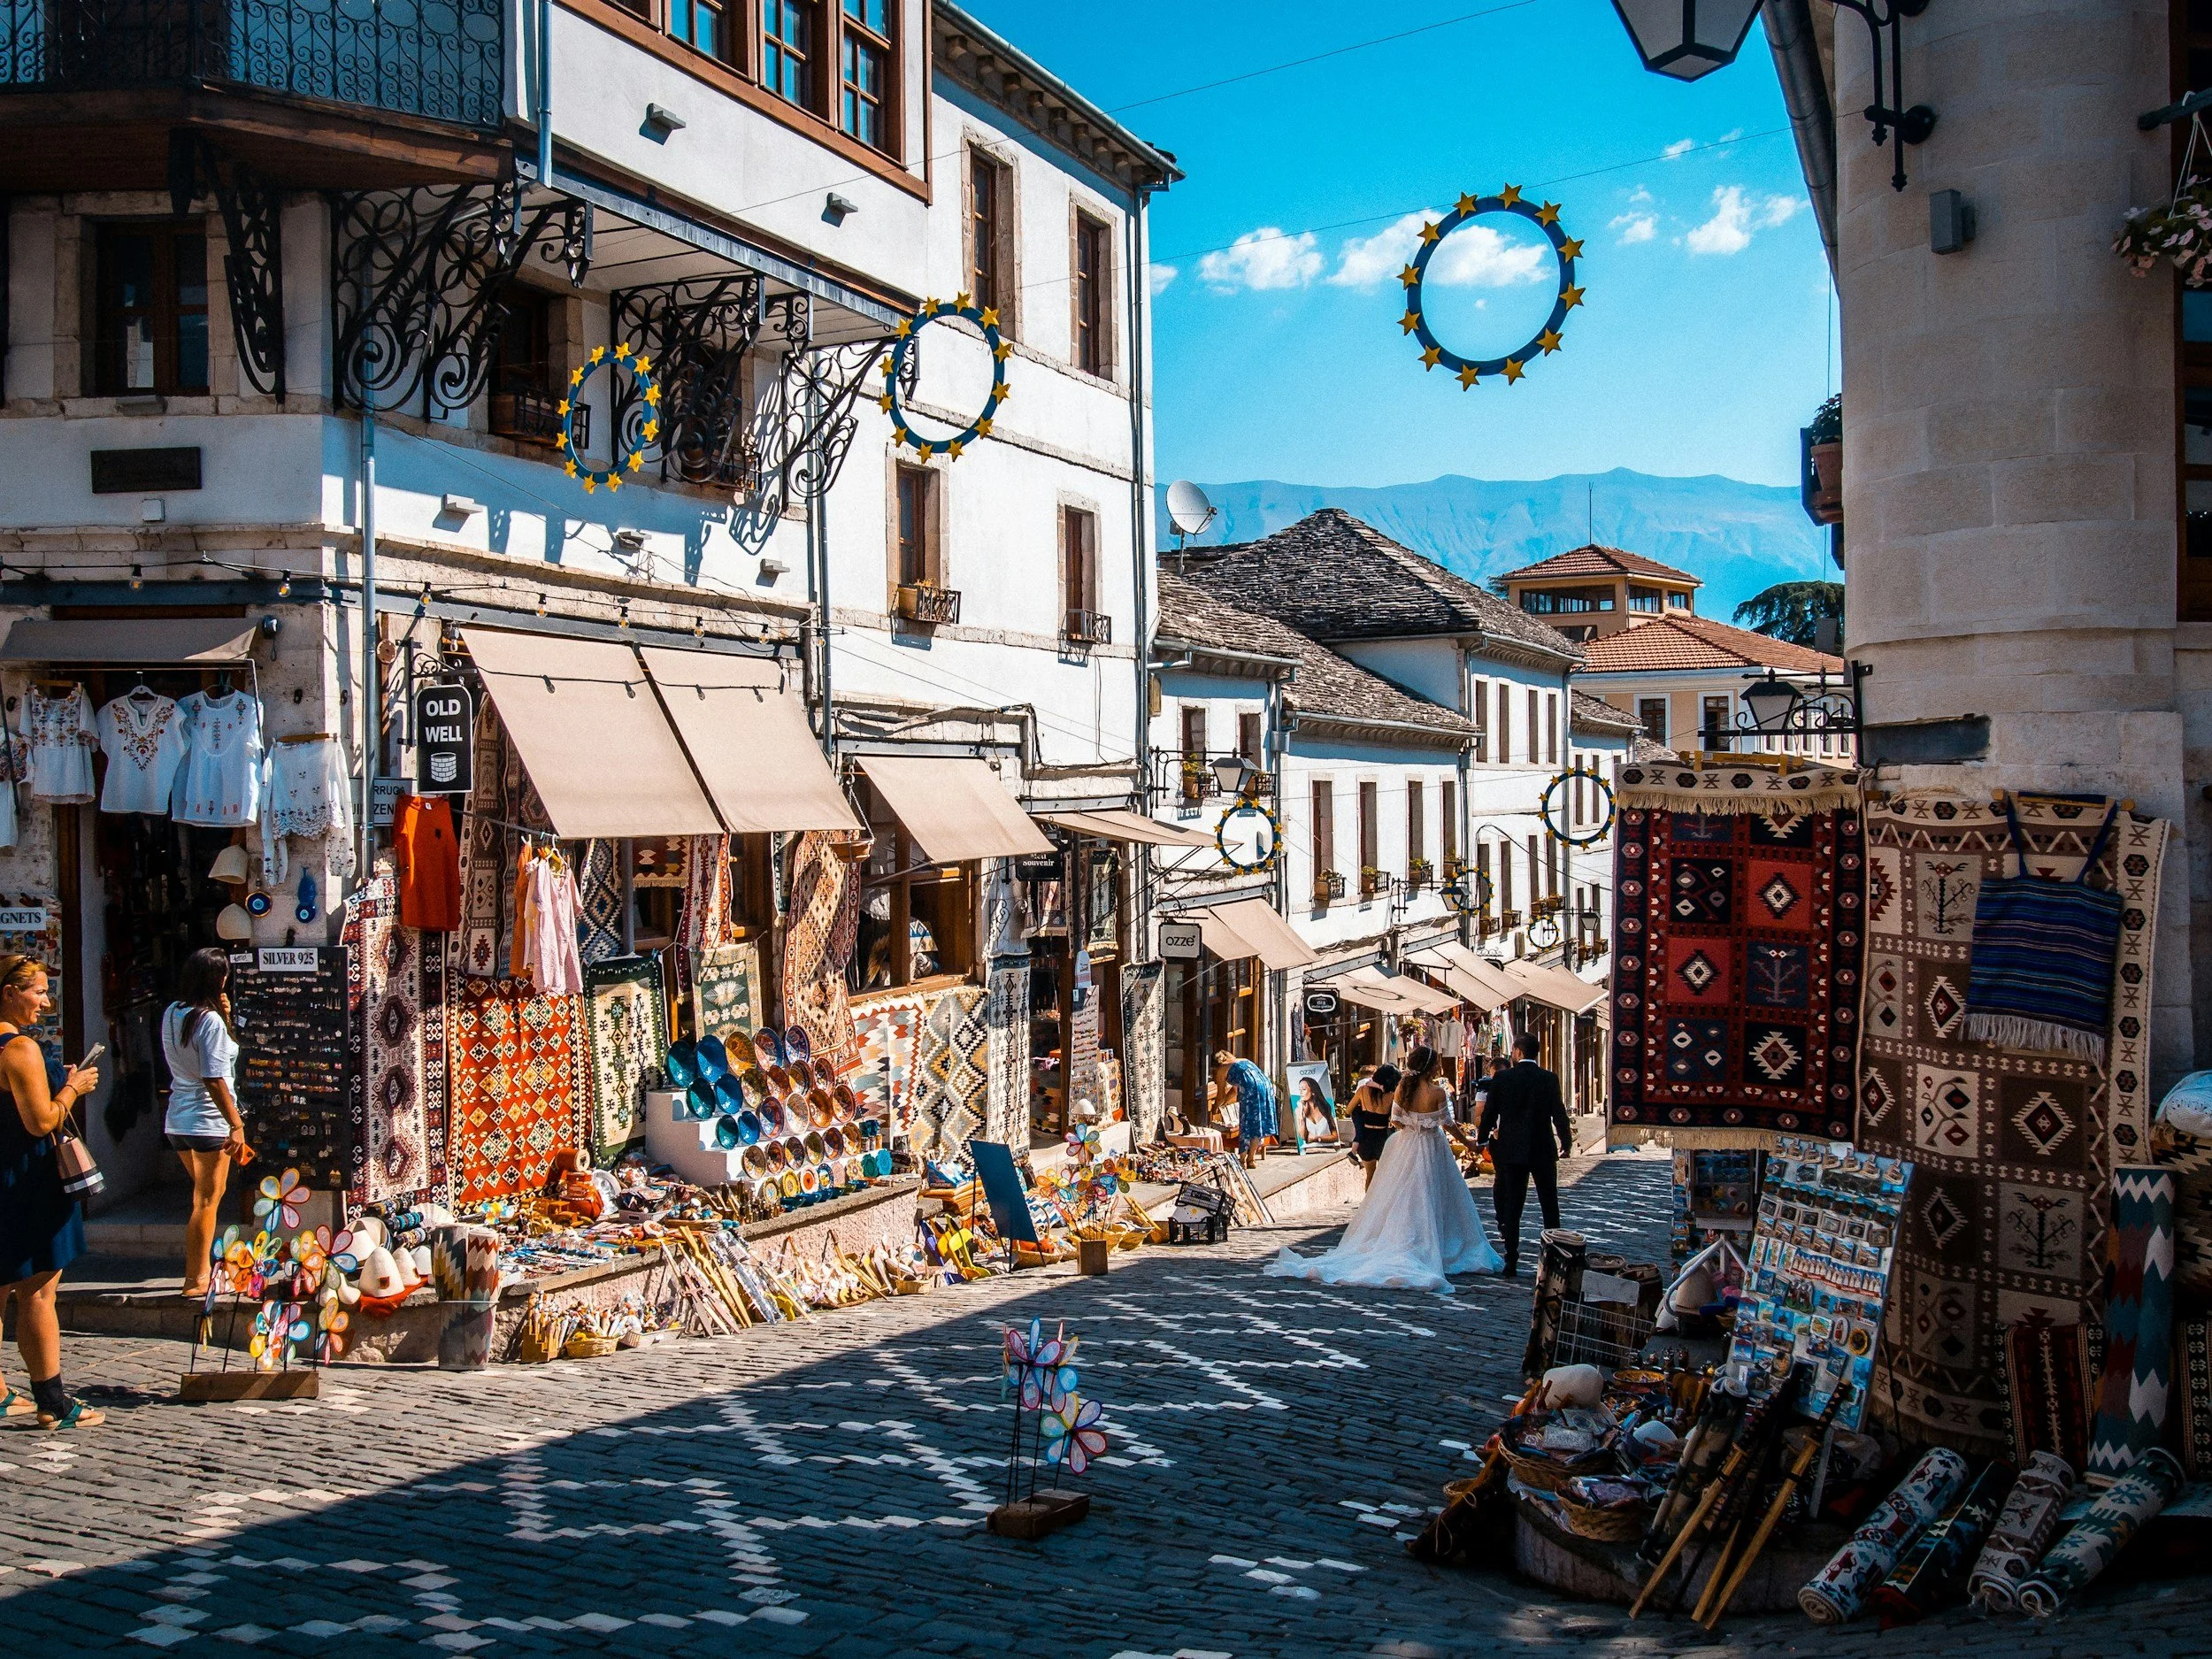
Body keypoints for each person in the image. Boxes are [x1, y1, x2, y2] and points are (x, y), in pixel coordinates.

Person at [1266, 1045, 1502, 1292]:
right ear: (1431, 1067)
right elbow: (1448, 1124)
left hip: (1407, 1145)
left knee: (1403, 1196)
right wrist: (1468, 1143)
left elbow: (1397, 1121)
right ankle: (1439, 1246)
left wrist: (1413, 1129)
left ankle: (1404, 1239)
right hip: (1432, 1147)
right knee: (1436, 1194)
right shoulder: (1438, 1093)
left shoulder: (1403, 1089)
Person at [0, 953, 104, 1428]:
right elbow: (41, 1120)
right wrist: (74, 1087)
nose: (45, 1001)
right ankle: (54, 1401)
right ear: (10, 993)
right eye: (38, 991)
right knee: (40, 1291)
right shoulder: (16, 1048)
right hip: (28, 1182)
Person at [163, 948, 248, 1297]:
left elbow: (212, 1057)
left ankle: (199, 1274)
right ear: (219, 979)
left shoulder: (173, 1012)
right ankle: (195, 1279)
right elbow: (215, 1076)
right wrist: (236, 1124)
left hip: (179, 1119)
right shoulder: (207, 1021)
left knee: (203, 1197)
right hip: (208, 1121)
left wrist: (225, 1018)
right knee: (207, 1201)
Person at [1479, 1031, 1574, 1276]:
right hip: (1542, 1148)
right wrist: (1566, 1142)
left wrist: (1482, 1139)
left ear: (1518, 1052)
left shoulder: (1502, 1079)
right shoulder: (1548, 1078)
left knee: (1513, 1205)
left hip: (1511, 1150)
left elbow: (1489, 1112)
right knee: (1549, 1204)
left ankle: (1511, 1259)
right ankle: (1554, 1259)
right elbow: (1559, 1114)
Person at [1213, 1050, 1279, 1167]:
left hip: (1251, 1089)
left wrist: (1215, 1108)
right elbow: (1234, 1091)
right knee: (1257, 1124)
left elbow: (1220, 1096)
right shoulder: (1243, 1060)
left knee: (1246, 1123)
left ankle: (1242, 1160)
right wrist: (1225, 1104)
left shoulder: (1221, 1069)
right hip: (1266, 1087)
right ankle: (1251, 1159)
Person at [1347, 1064, 1401, 1191]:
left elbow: (1349, 1109)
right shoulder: (1392, 1095)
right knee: (1385, 1177)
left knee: (1370, 1176)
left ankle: (1368, 1208)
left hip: (1366, 1137)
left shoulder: (1363, 1090)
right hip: (1384, 1138)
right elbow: (1395, 1117)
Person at [1294, 1076, 1335, 1144]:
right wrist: (1302, 1114)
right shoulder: (1299, 1110)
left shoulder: (1325, 1108)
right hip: (1309, 1150)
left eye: (1304, 1089)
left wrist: (1316, 1139)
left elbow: (1335, 1136)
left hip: (1328, 1147)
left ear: (1313, 1091)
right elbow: (1303, 1137)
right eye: (1299, 1089)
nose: (1301, 1092)